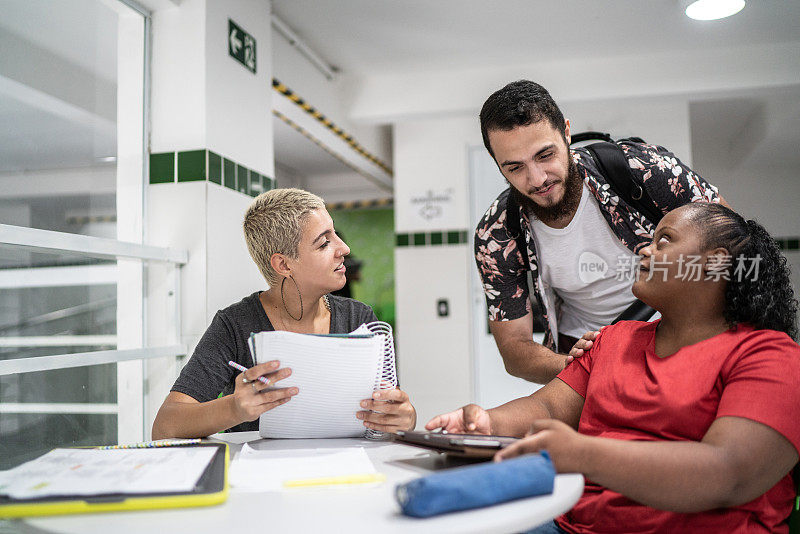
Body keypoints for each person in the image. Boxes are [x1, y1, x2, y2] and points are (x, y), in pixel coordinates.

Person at [429, 202, 800, 533]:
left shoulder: (770, 357)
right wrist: (485, 424)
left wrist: (582, 454)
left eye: (664, 240)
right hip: (572, 524)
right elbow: (547, 407)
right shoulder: (615, 339)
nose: (645, 249)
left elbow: (729, 472)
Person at [475, 80, 731, 383]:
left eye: (545, 155)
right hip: (582, 349)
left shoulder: (644, 168)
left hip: (680, 327)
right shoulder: (497, 233)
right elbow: (515, 351)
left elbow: (734, 240)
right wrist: (584, 368)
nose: (537, 178)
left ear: (566, 132)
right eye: (514, 167)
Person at [152, 188, 416, 439]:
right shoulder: (235, 326)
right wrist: (234, 408)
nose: (344, 249)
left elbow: (391, 413)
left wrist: (404, 418)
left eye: (335, 234)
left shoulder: (359, 319)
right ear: (284, 264)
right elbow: (165, 427)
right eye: (324, 243)